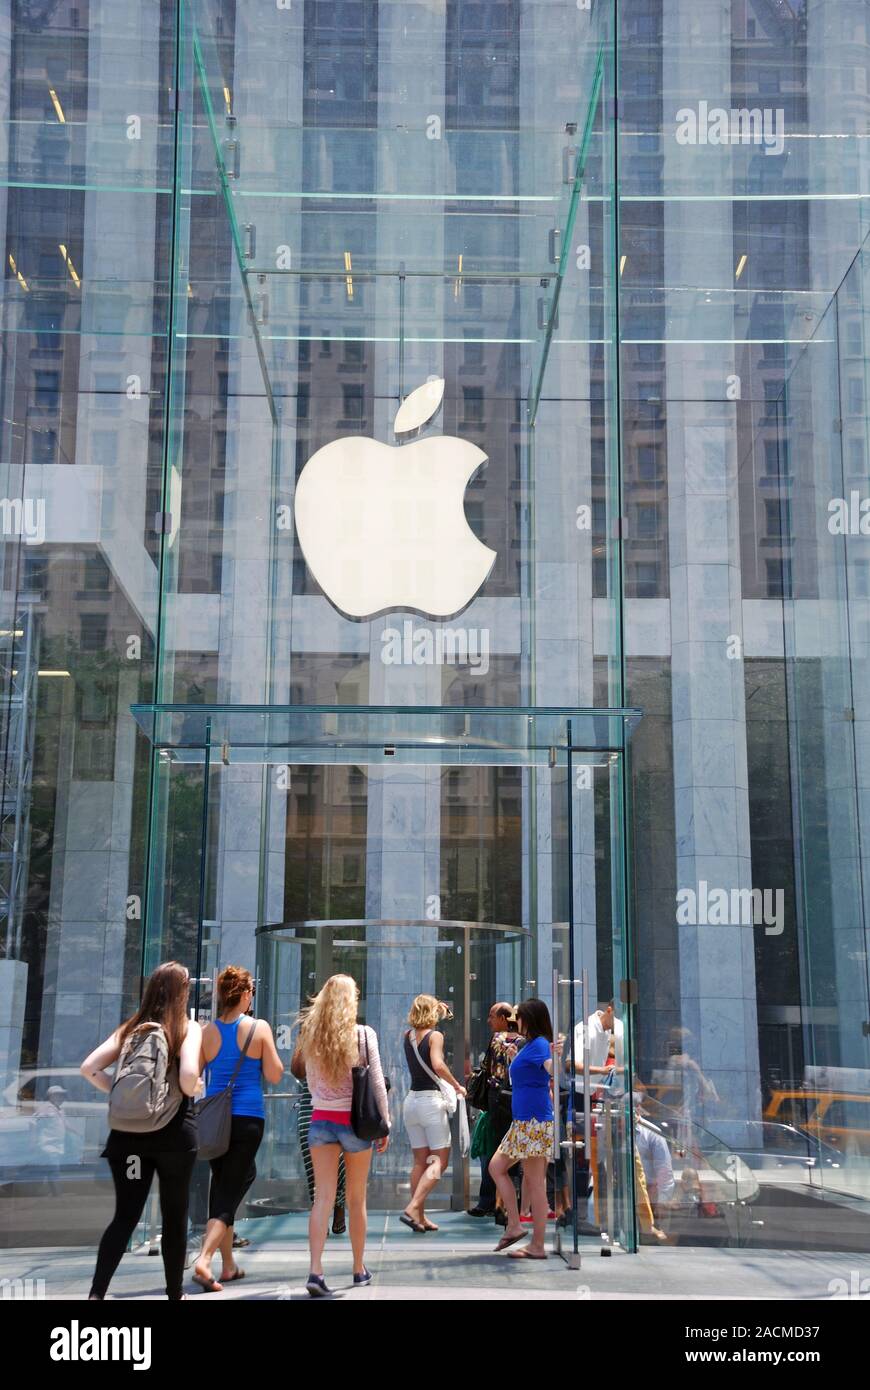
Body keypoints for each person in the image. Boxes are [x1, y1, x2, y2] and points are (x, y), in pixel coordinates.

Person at [81, 961, 202, 1301]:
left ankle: (96, 1293)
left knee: (125, 1215)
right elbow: (189, 1077)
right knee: (175, 1216)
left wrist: (124, 1099)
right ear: (183, 992)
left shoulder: (131, 1028)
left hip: (128, 1140)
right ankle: (175, 1294)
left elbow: (88, 1068)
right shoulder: (186, 1028)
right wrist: (192, 1090)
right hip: (174, 1138)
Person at [192, 965, 284, 1291]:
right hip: (247, 1119)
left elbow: (194, 1076)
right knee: (228, 1194)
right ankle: (204, 1260)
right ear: (245, 994)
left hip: (215, 1122)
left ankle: (228, 1265)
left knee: (225, 1186)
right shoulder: (258, 1028)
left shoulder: (207, 1032)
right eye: (251, 994)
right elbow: (274, 1074)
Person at [297, 974, 390, 1296]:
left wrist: (326, 1100)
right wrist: (385, 1123)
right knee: (356, 1198)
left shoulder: (311, 1035)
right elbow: (376, 1082)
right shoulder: (363, 1035)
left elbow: (310, 1083)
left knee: (322, 1198)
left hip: (321, 1120)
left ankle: (315, 1271)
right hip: (355, 1123)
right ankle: (358, 1268)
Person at [489, 998, 559, 1261]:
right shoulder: (530, 1045)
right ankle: (516, 1226)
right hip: (526, 1121)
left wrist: (557, 1060)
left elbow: (550, 1069)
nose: (514, 1020)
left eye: (519, 1016)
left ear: (529, 1019)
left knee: (534, 1183)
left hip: (533, 1122)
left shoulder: (540, 1045)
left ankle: (536, 1244)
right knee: (500, 1169)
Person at [401, 995, 467, 1233]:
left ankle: (419, 1217)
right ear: (432, 1012)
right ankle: (413, 1207)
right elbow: (438, 1065)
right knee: (439, 1160)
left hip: (411, 1102)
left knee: (420, 1161)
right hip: (431, 1102)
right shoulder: (435, 1036)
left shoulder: (407, 1036)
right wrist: (457, 1085)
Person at [467, 1001, 519, 1218]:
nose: (489, 1020)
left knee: (494, 1151)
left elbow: (487, 1067)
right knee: (513, 1153)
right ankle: (510, 1203)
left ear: (504, 1018)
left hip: (497, 1100)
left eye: (492, 1016)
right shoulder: (523, 1041)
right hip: (517, 1100)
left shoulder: (497, 1040)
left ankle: (490, 1201)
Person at [291, 1043, 347, 1234]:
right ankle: (322, 1216)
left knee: (341, 1166)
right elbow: (297, 1071)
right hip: (311, 1108)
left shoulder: (343, 1036)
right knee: (314, 1168)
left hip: (337, 1106)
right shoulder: (310, 1038)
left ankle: (338, 1209)